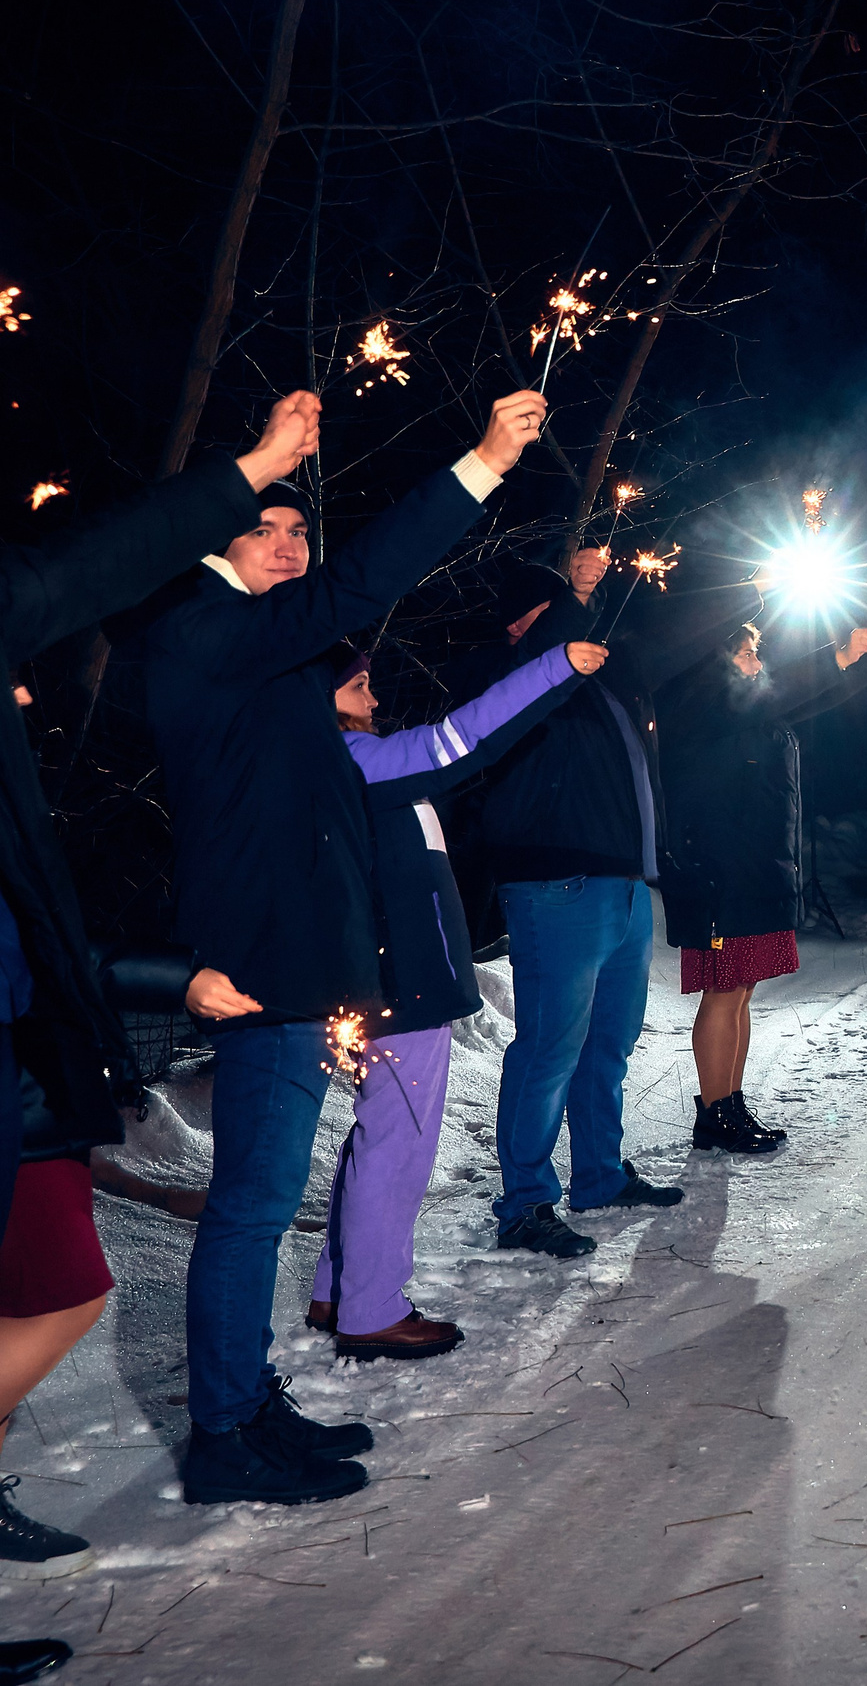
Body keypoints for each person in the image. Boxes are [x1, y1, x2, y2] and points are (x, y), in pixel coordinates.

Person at [141, 387, 547, 1506]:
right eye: (262, 528)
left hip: (301, 964)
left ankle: (245, 1403)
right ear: (210, 546)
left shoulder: (272, 662)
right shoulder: (201, 631)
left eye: (296, 528)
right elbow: (360, 583)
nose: (289, 542)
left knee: (265, 1204)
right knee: (251, 1209)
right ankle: (224, 1434)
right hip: (259, 966)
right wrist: (480, 462)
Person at [0, 396, 317, 1677]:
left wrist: (166, 980)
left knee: (67, 1283)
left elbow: (46, 919)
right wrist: (248, 469)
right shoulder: (197, 640)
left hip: (26, 1047)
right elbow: (79, 572)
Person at [307, 639, 606, 1359]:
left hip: (390, 980)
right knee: (397, 1145)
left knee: (379, 1135)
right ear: (322, 697)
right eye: (359, 686)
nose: (375, 698)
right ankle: (372, 1310)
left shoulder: (342, 763)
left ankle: (339, 1288)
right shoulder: (353, 759)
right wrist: (555, 666)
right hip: (399, 985)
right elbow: (461, 737)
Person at [473, 551, 763, 1258]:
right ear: (521, 625)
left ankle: (599, 1175)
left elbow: (668, 640)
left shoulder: (605, 681)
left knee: (608, 1043)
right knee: (549, 1049)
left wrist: (745, 592)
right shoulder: (506, 679)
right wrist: (571, 600)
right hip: (555, 888)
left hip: (623, 888)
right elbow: (536, 667)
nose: (575, 623)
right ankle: (525, 1204)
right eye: (552, 614)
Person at [657, 619, 867, 1152]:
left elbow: (811, 695)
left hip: (751, 870)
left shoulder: (750, 713)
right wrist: (842, 657)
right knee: (724, 991)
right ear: (715, 664)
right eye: (746, 655)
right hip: (719, 873)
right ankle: (713, 1115)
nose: (758, 664)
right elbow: (792, 687)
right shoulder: (705, 705)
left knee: (742, 990)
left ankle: (731, 1104)